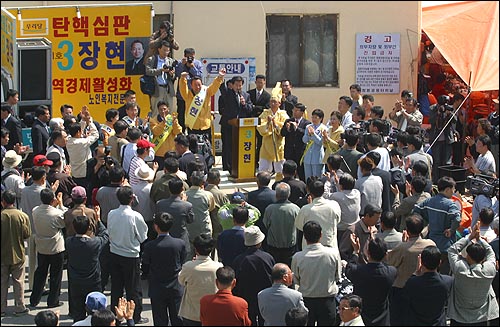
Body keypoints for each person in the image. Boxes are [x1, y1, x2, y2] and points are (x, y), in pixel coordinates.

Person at [107, 186, 148, 324]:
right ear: (132, 198)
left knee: (116, 287)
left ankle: (116, 316)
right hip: (131, 256)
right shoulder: (136, 216)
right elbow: (143, 237)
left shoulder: (111, 213)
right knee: (133, 289)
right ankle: (135, 316)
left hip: (114, 253)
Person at [447, 222, 499, 326]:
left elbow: (452, 250)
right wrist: (479, 239)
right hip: (481, 316)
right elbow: (490, 252)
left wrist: (470, 237)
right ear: (483, 259)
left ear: (468, 257)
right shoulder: (489, 271)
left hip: (459, 317)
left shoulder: (460, 270)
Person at [291, 221, 340, 326]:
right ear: (321, 234)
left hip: (306, 301)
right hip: (327, 300)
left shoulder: (297, 257)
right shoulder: (333, 254)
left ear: (304, 236)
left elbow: (296, 279)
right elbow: (337, 276)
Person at [142, 212, 186, 326]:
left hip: (157, 287)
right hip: (175, 286)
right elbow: (182, 261)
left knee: (159, 320)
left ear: (156, 226)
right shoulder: (179, 244)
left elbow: (145, 266)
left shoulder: (149, 246)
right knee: (177, 319)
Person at [413, 176, 461, 275]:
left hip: (431, 244)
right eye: (453, 189)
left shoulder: (430, 201)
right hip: (445, 246)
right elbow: (457, 218)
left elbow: (416, 210)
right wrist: (451, 230)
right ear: (447, 189)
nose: (453, 192)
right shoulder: (450, 205)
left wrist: (427, 221)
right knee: (444, 274)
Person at [345, 236, 397, 326]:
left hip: (361, 318)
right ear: (385, 255)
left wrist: (355, 252)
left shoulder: (358, 271)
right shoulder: (391, 272)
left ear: (368, 253)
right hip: (382, 319)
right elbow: (386, 266)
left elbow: (349, 268)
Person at [66, 215, 109, 322]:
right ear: (89, 227)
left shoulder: (69, 242)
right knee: (96, 311)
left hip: (76, 281)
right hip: (93, 281)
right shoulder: (94, 243)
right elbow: (105, 234)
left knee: (78, 311)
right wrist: (98, 220)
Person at [29, 188, 67, 309]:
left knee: (40, 273)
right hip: (56, 247)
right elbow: (63, 223)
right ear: (53, 200)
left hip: (42, 247)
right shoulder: (56, 213)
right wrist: (60, 205)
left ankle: (34, 299)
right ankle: (53, 300)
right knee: (56, 275)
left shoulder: (35, 210)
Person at [232, 226, 275, 326]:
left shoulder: (239, 260)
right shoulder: (267, 257)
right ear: (259, 242)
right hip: (264, 296)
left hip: (245, 297)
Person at [401, 245, 453, 326]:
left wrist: (416, 273)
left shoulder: (412, 282)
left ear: (421, 262)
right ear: (439, 263)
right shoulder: (447, 281)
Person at [178, 234, 223, 326]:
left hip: (191, 314)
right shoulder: (218, 267)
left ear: (196, 249)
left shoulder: (188, 266)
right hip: (212, 312)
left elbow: (181, 281)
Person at [1, 190, 31, 317]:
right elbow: (27, 234)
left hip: (2, 255)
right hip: (18, 253)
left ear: (3, 202)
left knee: (2, 282)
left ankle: (1, 307)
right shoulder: (22, 216)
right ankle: (19, 306)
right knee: (18, 281)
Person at [219, 75, 253, 172]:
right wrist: (221, 77)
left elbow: (250, 109)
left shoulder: (246, 96)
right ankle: (228, 167)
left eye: (240, 85)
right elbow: (222, 88)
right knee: (228, 146)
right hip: (228, 125)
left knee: (239, 146)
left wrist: (244, 104)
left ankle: (238, 166)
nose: (239, 87)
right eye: (237, 85)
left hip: (241, 126)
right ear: (232, 85)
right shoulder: (227, 94)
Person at [180, 68, 226, 140]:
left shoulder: (206, 92)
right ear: (191, 85)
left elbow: (214, 86)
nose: (197, 87)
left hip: (206, 126)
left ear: (202, 84)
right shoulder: (187, 95)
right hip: (192, 126)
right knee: (193, 149)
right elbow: (182, 88)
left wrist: (220, 77)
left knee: (206, 148)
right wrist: (183, 79)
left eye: (199, 85)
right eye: (195, 85)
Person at [155, 177, 194, 260]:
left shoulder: (160, 204)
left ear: (169, 189)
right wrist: (184, 202)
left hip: (163, 241)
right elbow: (190, 220)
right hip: (181, 238)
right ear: (182, 189)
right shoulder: (187, 205)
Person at [263, 183, 300, 267]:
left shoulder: (270, 209)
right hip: (290, 247)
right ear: (289, 194)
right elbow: (299, 226)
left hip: (273, 247)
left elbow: (266, 225)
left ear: (276, 194)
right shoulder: (295, 209)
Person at [257, 87, 289, 181]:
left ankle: (279, 183)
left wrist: (275, 124)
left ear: (279, 103)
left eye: (275, 102)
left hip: (278, 144)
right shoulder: (265, 113)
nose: (273, 104)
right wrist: (268, 123)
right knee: (263, 166)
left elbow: (284, 128)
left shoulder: (283, 114)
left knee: (280, 167)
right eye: (271, 102)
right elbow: (260, 126)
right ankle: (262, 183)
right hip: (266, 143)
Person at [66, 107, 100, 188]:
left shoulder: (68, 140)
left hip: (74, 173)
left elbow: (77, 131)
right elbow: (95, 135)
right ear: (78, 132)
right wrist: (89, 121)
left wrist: (83, 120)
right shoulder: (82, 142)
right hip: (85, 173)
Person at [185, 171, 215, 259]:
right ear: (203, 182)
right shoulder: (208, 195)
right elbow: (211, 208)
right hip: (204, 229)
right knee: (205, 256)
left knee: (189, 256)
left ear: (191, 180)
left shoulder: (184, 195)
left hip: (189, 229)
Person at [429, 95, 457, 183]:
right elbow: (431, 121)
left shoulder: (449, 108)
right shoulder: (432, 108)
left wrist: (450, 113)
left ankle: (446, 181)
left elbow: (455, 120)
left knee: (447, 162)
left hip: (447, 139)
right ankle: (436, 181)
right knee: (436, 161)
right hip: (436, 139)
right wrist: (438, 113)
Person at [145, 40, 176, 118]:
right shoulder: (152, 59)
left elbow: (174, 76)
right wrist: (160, 70)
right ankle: (155, 129)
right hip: (157, 88)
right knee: (156, 111)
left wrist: (171, 74)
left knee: (169, 111)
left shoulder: (170, 61)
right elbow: (148, 71)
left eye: (168, 51)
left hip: (168, 89)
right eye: (164, 50)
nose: (166, 53)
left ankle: (169, 129)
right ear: (159, 49)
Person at [175, 47, 204, 132]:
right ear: (184, 56)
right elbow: (177, 74)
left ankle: (193, 130)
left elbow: (199, 76)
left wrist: (192, 67)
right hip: (182, 94)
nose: (190, 59)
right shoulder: (180, 63)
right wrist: (183, 65)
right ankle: (181, 132)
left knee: (194, 113)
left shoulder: (197, 64)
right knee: (181, 114)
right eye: (188, 57)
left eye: (192, 57)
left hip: (194, 94)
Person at [280, 103, 310, 182]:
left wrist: (297, 128)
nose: (294, 112)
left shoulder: (306, 123)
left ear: (302, 113)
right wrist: (286, 128)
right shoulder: (288, 121)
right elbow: (282, 133)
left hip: (300, 151)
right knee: (289, 171)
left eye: (297, 110)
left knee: (301, 172)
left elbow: (305, 134)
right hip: (289, 151)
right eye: (294, 110)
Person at [149, 100, 182, 170]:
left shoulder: (172, 118)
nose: (163, 111)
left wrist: (175, 123)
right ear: (158, 110)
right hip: (159, 153)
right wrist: (163, 122)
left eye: (164, 109)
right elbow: (156, 132)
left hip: (171, 152)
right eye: (161, 109)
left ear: (168, 109)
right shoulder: (153, 120)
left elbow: (178, 131)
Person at [248, 74, 271, 164]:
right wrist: (257, 108)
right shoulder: (249, 93)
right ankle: (251, 160)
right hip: (250, 120)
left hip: (261, 122)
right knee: (250, 141)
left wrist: (254, 107)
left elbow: (265, 109)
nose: (259, 84)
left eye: (261, 82)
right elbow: (248, 107)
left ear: (264, 83)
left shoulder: (267, 96)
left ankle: (258, 160)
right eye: (258, 82)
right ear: (255, 82)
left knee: (260, 142)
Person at [301, 108, 327, 181]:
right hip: (308, 157)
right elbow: (304, 140)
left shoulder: (324, 128)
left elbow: (320, 143)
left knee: (317, 178)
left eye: (316, 117)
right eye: (313, 117)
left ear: (321, 118)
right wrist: (308, 135)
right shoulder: (308, 127)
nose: (314, 119)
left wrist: (313, 134)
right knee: (308, 178)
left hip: (318, 157)